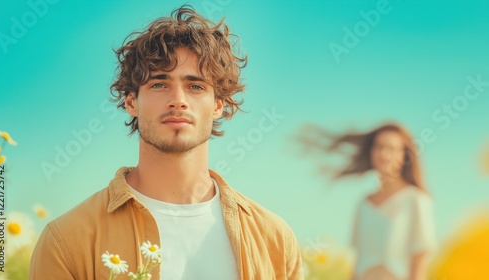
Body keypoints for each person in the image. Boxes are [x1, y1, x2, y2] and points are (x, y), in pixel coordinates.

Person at [30, 6, 303, 280]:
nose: (178, 100)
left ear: (218, 106)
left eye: (195, 86)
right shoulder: (65, 240)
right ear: (131, 102)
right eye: (159, 84)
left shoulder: (275, 240)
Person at [297, 123, 436, 280]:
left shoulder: (416, 200)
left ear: (404, 155)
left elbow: (420, 260)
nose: (383, 154)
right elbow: (358, 264)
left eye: (391, 148)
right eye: (378, 147)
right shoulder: (363, 205)